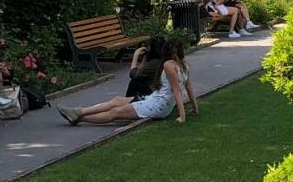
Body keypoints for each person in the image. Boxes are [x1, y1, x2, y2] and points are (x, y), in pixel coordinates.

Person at [57, 40, 192, 125]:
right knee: (116, 101)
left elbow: (134, 75)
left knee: (115, 112)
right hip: (152, 99)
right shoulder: (181, 65)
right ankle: (79, 112)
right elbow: (187, 87)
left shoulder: (165, 64)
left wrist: (182, 116)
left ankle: (79, 117)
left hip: (154, 103)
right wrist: (194, 108)